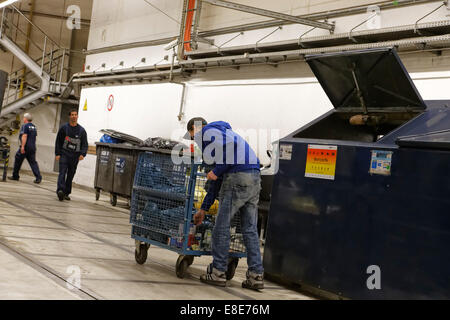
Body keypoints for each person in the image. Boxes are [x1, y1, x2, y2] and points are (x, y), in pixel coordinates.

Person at [185, 117, 264, 290]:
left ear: (195, 129)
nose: (195, 141)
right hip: (254, 176)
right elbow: (216, 181)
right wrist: (204, 209)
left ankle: (218, 272)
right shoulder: (225, 133)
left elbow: (225, 160)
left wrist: (216, 170)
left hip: (237, 177)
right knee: (249, 229)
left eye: (192, 137)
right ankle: (256, 276)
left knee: (221, 227)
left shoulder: (207, 132)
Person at [55, 109, 88, 201]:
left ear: (77, 116)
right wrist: (57, 153)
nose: (74, 116)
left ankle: (66, 192)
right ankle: (60, 190)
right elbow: (58, 141)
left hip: (75, 156)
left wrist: (83, 154)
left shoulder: (81, 131)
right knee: (62, 172)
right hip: (64, 154)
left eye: (75, 115)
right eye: (72, 115)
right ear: (69, 116)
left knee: (70, 174)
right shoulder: (64, 128)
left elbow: (85, 144)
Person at [8, 113, 42, 184]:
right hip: (32, 147)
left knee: (18, 159)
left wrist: (22, 147)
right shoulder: (34, 127)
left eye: (23, 118)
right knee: (33, 163)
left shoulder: (25, 126)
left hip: (25, 147)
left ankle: (15, 176)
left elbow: (24, 136)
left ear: (26, 119)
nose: (23, 119)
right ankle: (38, 177)